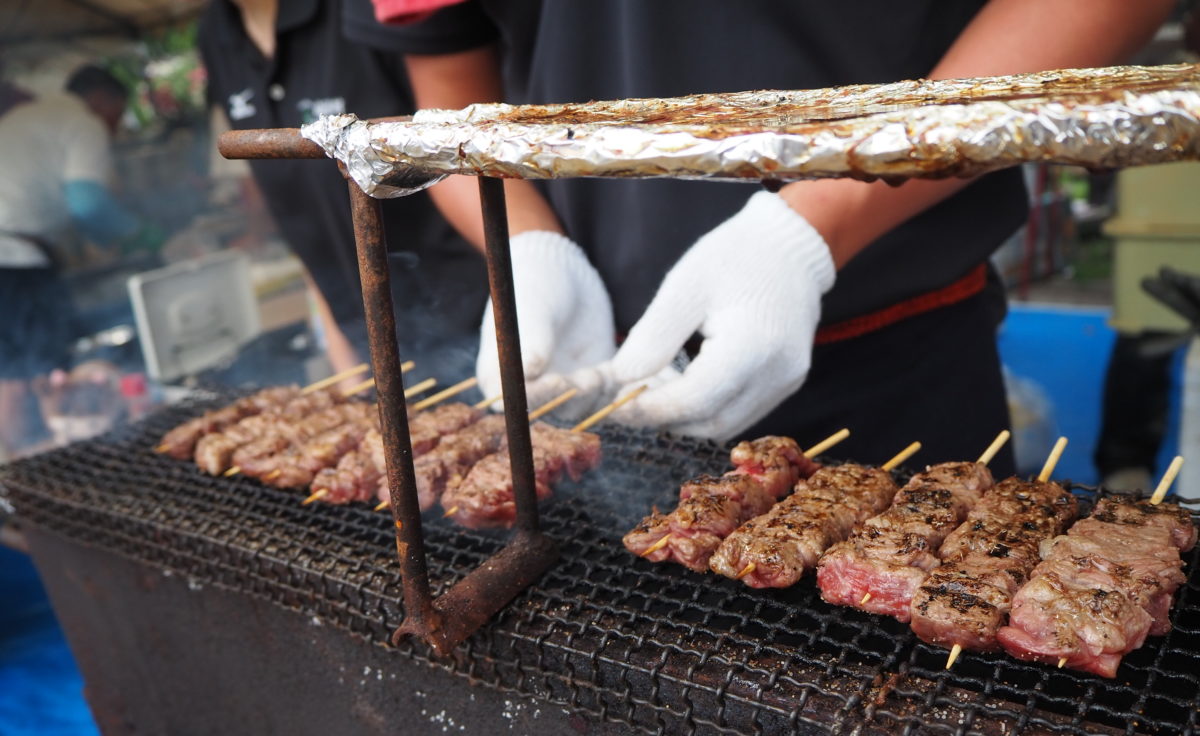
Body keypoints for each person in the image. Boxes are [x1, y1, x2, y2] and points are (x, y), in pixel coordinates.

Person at [351, 0, 1174, 474]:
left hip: (902, 359)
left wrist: (809, 231)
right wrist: (527, 244)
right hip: (598, 375)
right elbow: (444, 80)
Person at [198, 0, 486, 379]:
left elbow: (477, 153)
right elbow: (301, 210)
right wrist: (340, 346)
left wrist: (534, 280)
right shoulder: (215, 33)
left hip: (483, 317)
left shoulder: (368, 6)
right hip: (371, 345)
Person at [0, 64, 143, 457]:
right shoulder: (82, 122)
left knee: (10, 369)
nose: (114, 130)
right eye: (117, 116)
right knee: (30, 373)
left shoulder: (27, 117)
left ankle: (18, 475)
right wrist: (134, 235)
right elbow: (88, 203)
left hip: (12, 253)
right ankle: (39, 472)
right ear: (103, 100)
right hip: (12, 259)